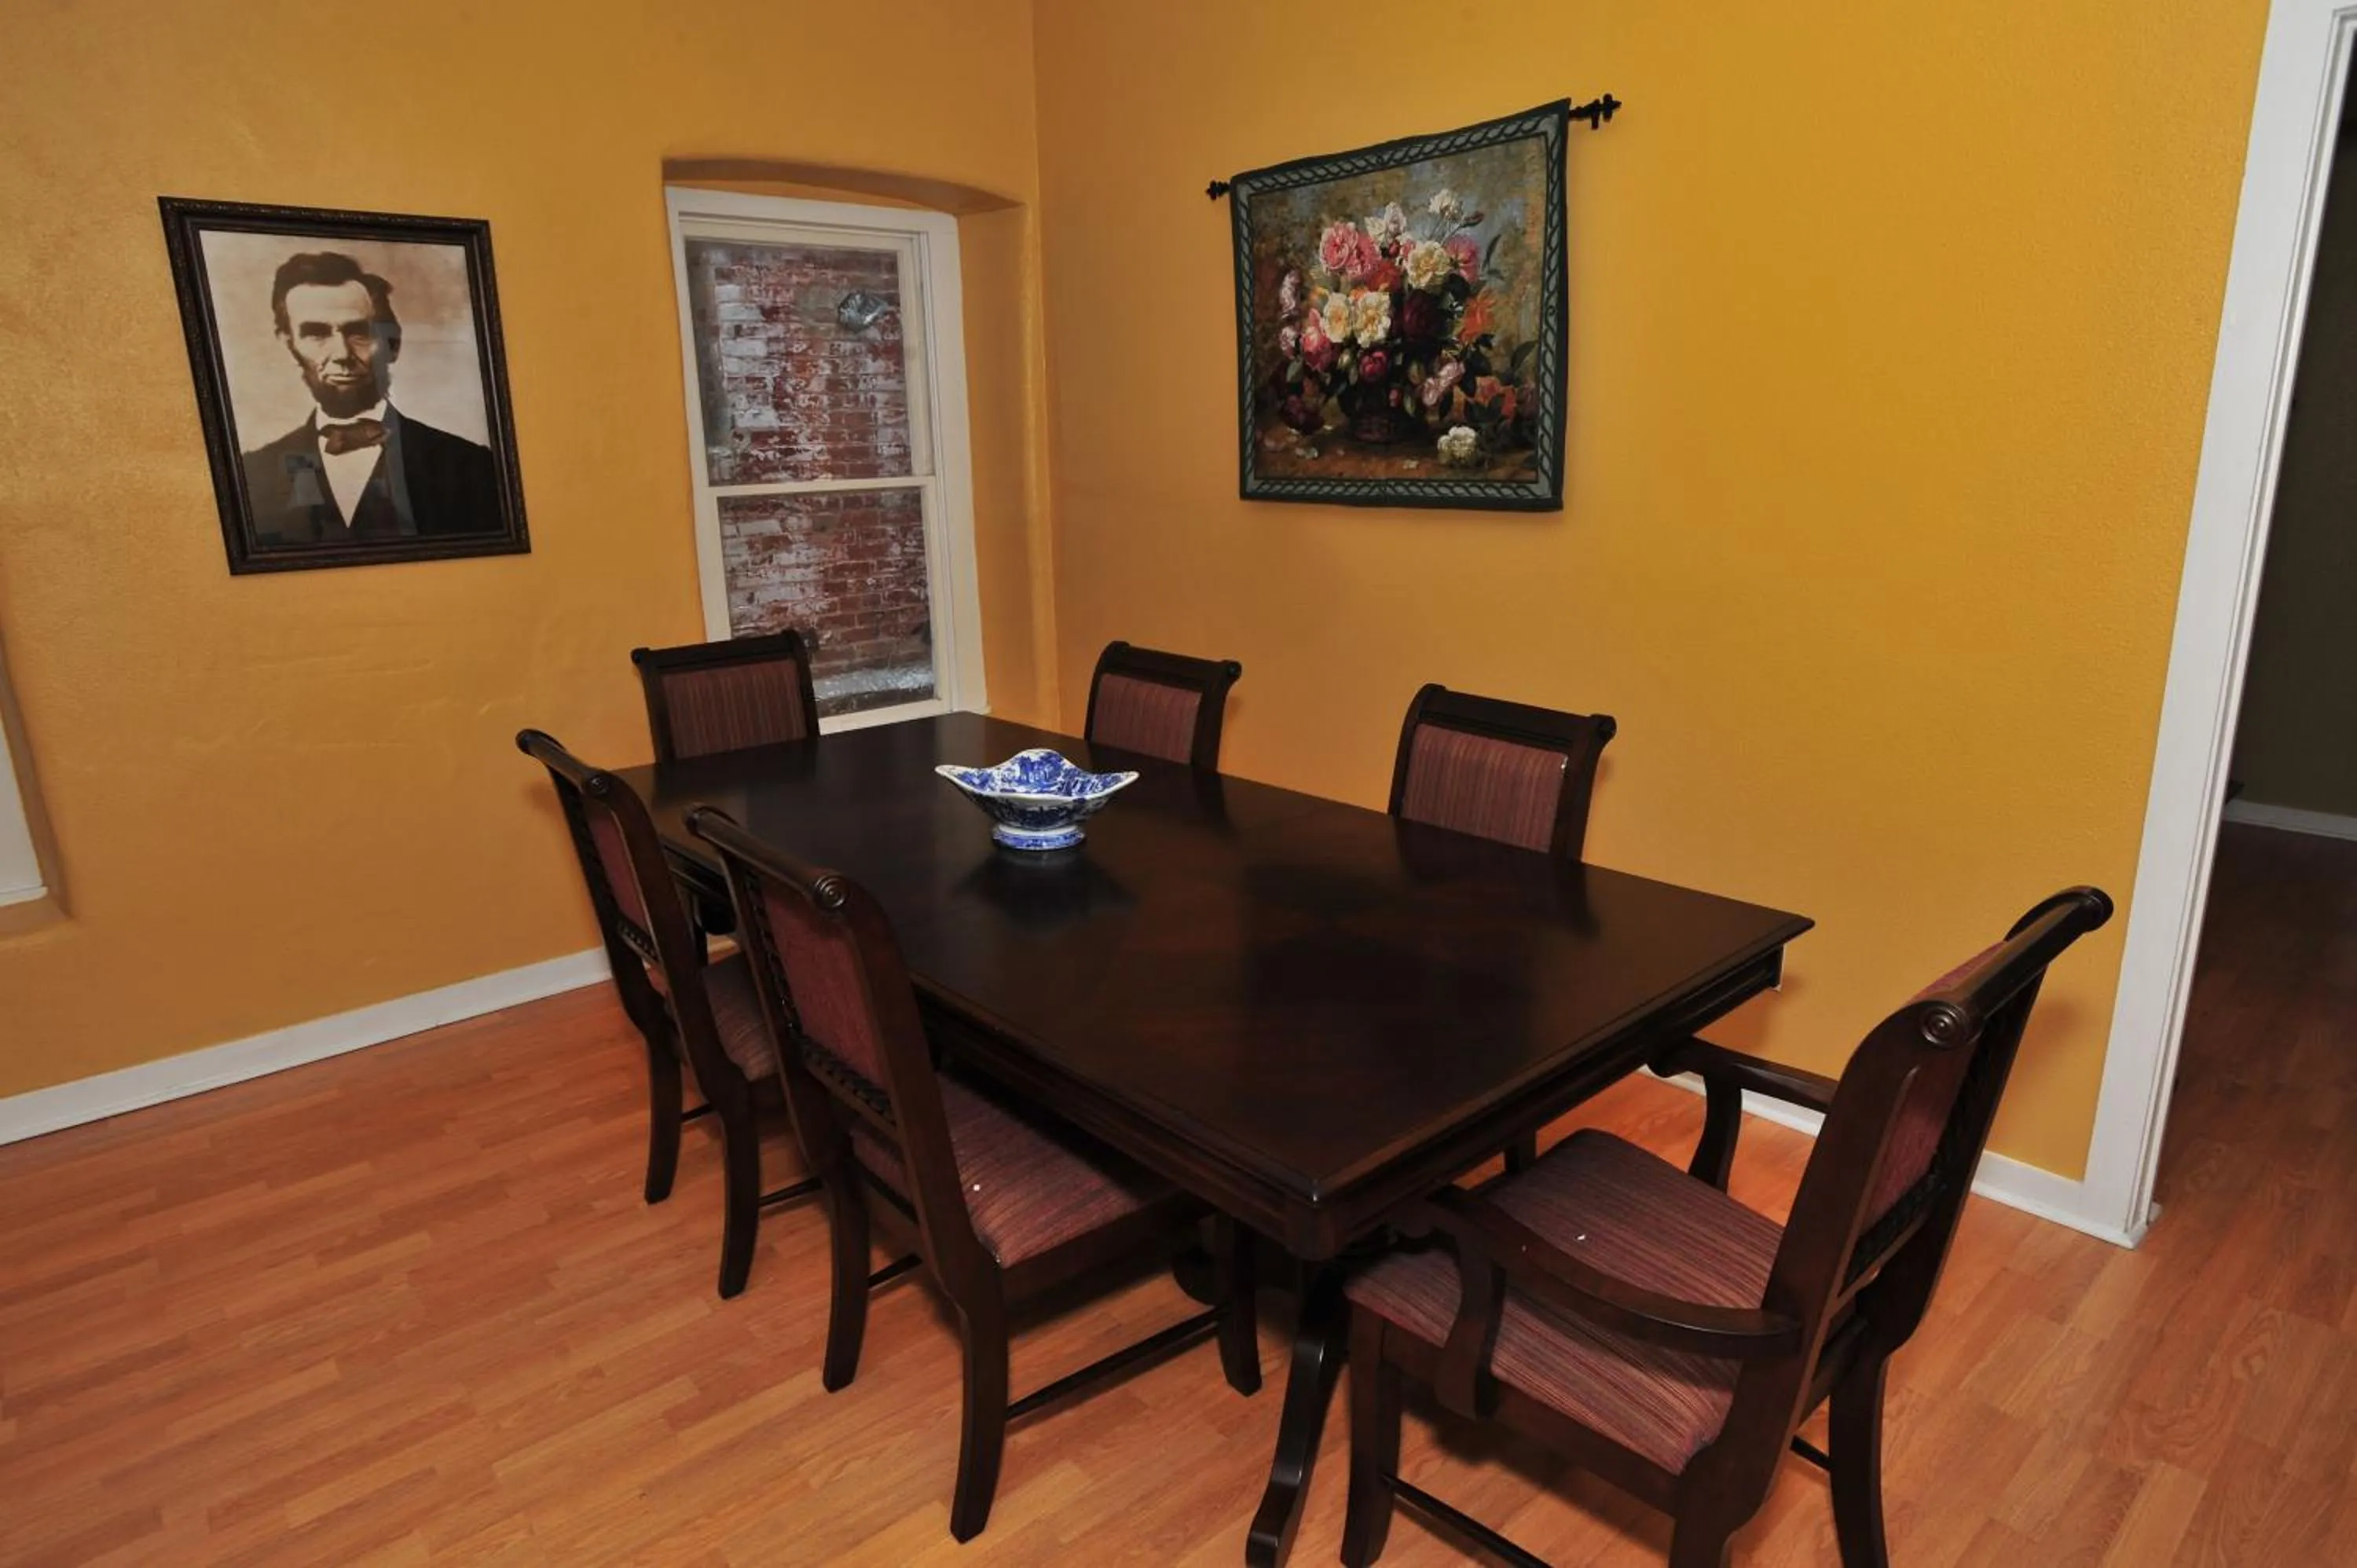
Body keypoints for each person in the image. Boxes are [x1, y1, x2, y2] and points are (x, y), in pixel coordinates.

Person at [237, 251, 505, 545]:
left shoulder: (471, 467)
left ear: (392, 345)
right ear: (288, 345)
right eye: (316, 334)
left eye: (359, 333)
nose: (342, 355)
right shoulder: (252, 473)